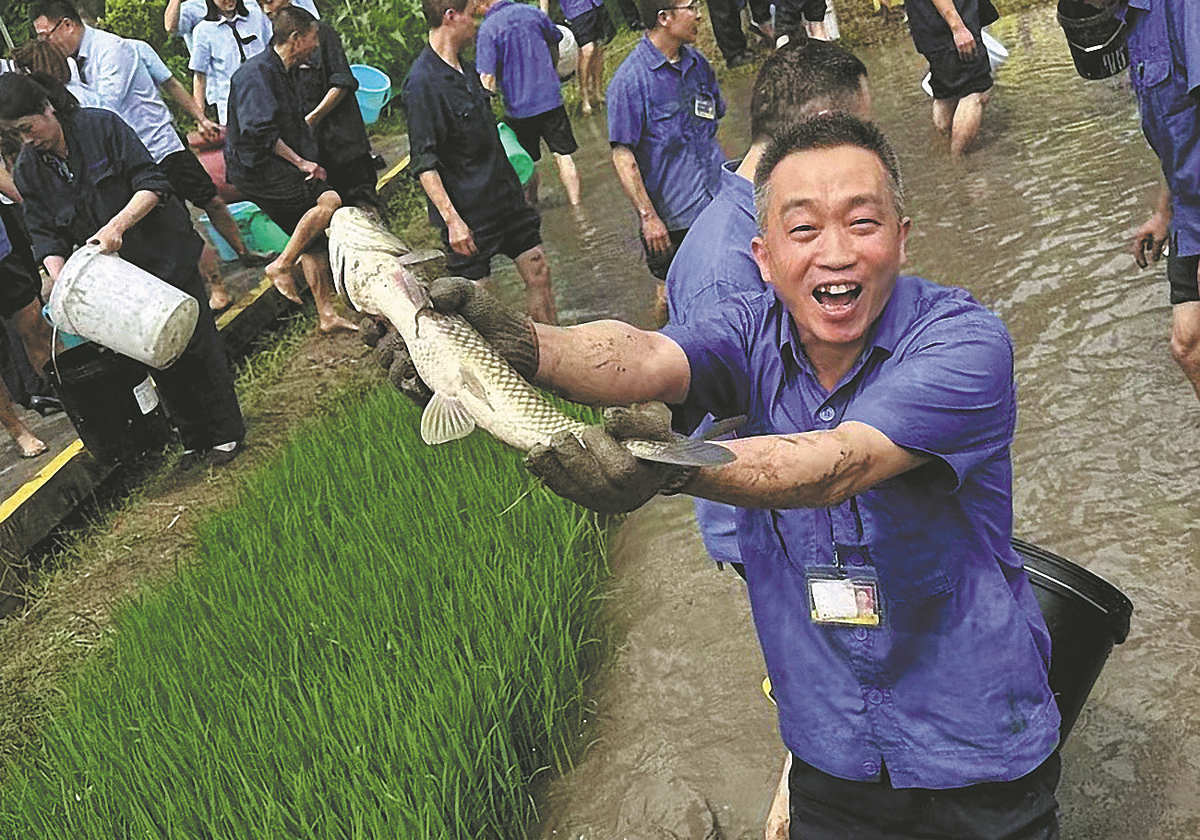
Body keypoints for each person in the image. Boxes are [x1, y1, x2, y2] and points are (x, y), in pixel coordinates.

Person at [421, 113, 1063, 839]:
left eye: (862, 223)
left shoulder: (964, 343)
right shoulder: (748, 329)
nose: (836, 253)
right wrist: (521, 344)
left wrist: (668, 469)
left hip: (978, 743)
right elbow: (643, 356)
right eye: (804, 229)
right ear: (763, 256)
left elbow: (835, 464)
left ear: (903, 238)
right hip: (831, 750)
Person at [0, 72, 247, 466]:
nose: (26, 140)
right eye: (16, 135)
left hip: (162, 251)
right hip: (116, 278)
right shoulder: (30, 168)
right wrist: (61, 279)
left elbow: (151, 182)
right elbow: (45, 233)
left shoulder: (101, 127)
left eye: (28, 128)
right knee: (151, 352)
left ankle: (225, 433)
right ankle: (192, 438)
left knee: (194, 343)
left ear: (47, 109)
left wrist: (117, 226)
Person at [30, 2, 272, 311]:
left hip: (159, 146)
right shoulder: (71, 63)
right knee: (181, 222)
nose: (45, 43)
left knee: (207, 201)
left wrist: (64, 89)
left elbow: (107, 109)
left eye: (45, 35)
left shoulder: (113, 50)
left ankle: (242, 256)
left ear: (66, 25)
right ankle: (216, 287)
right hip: (134, 159)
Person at [402, 0, 556, 324]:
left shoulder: (467, 70)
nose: (476, 23)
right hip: (468, 214)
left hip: (505, 197)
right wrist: (453, 222)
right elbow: (424, 163)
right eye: (471, 15)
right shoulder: (422, 85)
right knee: (480, 302)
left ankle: (551, 349)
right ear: (451, 17)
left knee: (539, 270)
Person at [224, 5, 358, 334]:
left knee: (311, 237)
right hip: (259, 169)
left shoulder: (281, 70)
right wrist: (301, 162)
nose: (316, 45)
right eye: (312, 38)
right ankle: (281, 265)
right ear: (296, 38)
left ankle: (326, 316)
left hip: (274, 164)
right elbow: (260, 132)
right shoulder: (256, 74)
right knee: (329, 203)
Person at [1096, 0, 1200, 403]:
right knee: (1187, 347)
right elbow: (1178, 135)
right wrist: (1162, 213)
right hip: (1188, 213)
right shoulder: (1133, 22)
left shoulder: (1185, 9)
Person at [607, 0, 725, 295]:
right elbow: (623, 157)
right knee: (673, 297)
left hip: (717, 203)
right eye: (691, 7)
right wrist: (649, 218)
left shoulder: (698, 64)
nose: (699, 15)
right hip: (674, 222)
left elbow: (713, 130)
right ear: (664, 18)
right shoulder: (630, 81)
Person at [257, 0, 380, 211]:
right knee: (333, 211)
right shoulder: (273, 51)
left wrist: (314, 118)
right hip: (314, 152)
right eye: (260, 5)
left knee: (364, 203)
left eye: (269, 1)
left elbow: (343, 81)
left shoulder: (321, 33)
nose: (267, 10)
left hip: (344, 140)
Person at [476, 0, 582, 206]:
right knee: (563, 155)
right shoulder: (533, 13)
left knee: (526, 160)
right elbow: (555, 42)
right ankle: (577, 207)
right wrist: (552, 71)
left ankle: (532, 203)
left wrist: (487, 110)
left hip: (518, 107)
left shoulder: (488, 29)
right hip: (550, 98)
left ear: (482, 3)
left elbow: (487, 77)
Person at [904, 0, 997, 156]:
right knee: (975, 92)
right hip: (948, 25)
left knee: (946, 94)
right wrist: (958, 27)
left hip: (929, 23)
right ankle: (958, 162)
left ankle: (943, 155)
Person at [190, 0, 271, 125]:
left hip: (267, 97)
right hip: (232, 107)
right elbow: (200, 75)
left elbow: (273, 50)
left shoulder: (256, 16)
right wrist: (201, 119)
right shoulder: (203, 30)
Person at [542, 0, 615, 116]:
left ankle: (598, 90)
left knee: (599, 48)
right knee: (587, 50)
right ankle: (584, 95)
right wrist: (543, 17)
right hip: (577, 10)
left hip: (596, 4)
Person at [166, 0, 313, 55]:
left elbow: (309, 21)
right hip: (223, 94)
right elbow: (171, 27)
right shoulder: (193, 8)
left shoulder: (251, 5)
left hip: (265, 81)